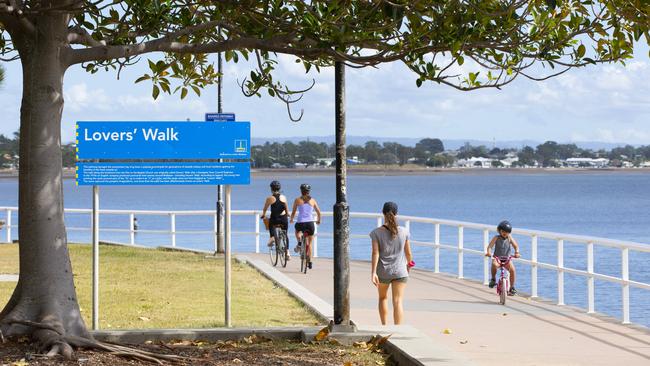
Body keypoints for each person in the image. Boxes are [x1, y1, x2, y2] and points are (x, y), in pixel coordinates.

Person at [370, 201, 413, 325]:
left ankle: (384, 326)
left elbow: (375, 253)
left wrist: (373, 273)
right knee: (398, 301)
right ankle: (397, 329)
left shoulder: (376, 233)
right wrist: (409, 266)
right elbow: (408, 254)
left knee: (383, 298)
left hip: (383, 271)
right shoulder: (404, 232)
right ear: (397, 214)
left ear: (383, 213)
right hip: (400, 272)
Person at [485, 220, 521, 296]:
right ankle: (493, 279)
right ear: (499, 231)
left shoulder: (509, 238)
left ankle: (512, 287)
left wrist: (517, 252)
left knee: (513, 270)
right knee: (494, 265)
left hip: (507, 258)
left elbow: (516, 246)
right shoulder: (496, 238)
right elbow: (490, 246)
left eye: (507, 232)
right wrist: (488, 252)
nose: (505, 233)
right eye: (503, 231)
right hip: (497, 258)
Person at [290, 183, 321, 269]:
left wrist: (292, 219)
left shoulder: (297, 200)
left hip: (301, 223)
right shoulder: (313, 200)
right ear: (309, 191)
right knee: (310, 244)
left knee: (297, 231)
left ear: (301, 191)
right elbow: (319, 212)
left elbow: (293, 212)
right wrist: (319, 220)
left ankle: (299, 241)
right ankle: (310, 262)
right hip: (310, 223)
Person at [261, 180, 290, 259]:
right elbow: (287, 210)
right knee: (285, 234)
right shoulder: (284, 197)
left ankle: (272, 238)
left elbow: (264, 209)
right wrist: (288, 215)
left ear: (271, 189)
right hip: (283, 219)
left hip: (275, 219)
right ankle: (287, 252)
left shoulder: (270, 198)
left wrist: (263, 215)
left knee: (271, 224)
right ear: (279, 188)